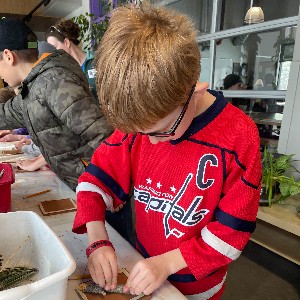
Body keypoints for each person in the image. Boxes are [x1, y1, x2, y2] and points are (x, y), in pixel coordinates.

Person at [73, 3, 262, 299]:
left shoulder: (239, 136)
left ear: (195, 91)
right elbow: (94, 182)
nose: (152, 143)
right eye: (140, 133)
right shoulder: (142, 125)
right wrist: (97, 240)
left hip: (200, 287)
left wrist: (167, 263)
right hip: (145, 268)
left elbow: (231, 233)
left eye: (162, 131)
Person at [0, 18, 112, 191]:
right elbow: (6, 113)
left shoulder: (54, 82)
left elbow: (102, 136)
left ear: (8, 56)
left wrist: (113, 186)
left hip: (101, 191)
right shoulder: (34, 88)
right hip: (83, 186)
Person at [46, 19, 98, 102]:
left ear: (66, 42)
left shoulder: (98, 59)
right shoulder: (62, 72)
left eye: (54, 48)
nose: (53, 53)